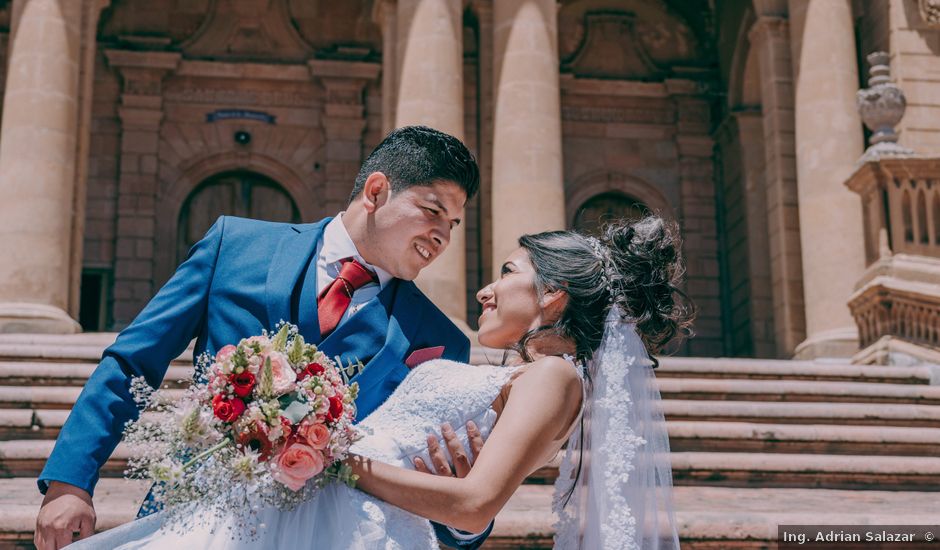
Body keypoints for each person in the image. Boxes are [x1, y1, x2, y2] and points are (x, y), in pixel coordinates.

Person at [66, 215, 693, 549]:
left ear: (552, 296)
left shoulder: (555, 378)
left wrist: (328, 456)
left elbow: (474, 503)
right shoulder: (526, 376)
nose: (484, 287)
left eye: (507, 272)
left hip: (345, 522)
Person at [34, 126, 493, 550]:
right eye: (433, 211)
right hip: (196, 524)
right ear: (376, 191)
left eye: (453, 224)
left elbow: (444, 509)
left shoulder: (440, 342)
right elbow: (132, 363)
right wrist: (69, 483)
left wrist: (461, 518)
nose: (442, 237)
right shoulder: (233, 246)